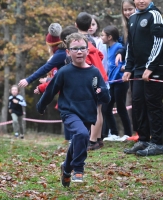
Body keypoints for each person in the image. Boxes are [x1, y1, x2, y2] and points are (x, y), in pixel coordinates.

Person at [37, 33, 110, 186]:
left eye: (82, 48)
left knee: (79, 139)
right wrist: (41, 104)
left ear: (87, 50)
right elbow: (51, 90)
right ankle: (78, 168)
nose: (79, 51)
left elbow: (103, 93)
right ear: (68, 52)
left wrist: (101, 92)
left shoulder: (94, 73)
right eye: (75, 48)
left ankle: (66, 169)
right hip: (69, 111)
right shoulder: (65, 72)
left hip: (87, 113)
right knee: (82, 134)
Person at [122, 0, 163, 156]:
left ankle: (157, 143)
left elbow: (159, 42)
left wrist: (150, 67)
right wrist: (128, 68)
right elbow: (130, 45)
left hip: (155, 68)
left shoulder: (154, 15)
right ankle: (143, 139)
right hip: (138, 69)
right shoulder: (133, 17)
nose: (141, 1)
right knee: (138, 103)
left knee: (153, 104)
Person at [75, 12, 108, 151]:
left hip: (91, 80)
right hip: (101, 77)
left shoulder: (78, 41)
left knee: (93, 110)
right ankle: (98, 138)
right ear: (90, 26)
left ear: (75, 25)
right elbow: (100, 56)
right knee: (98, 110)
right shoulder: (93, 41)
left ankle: (92, 140)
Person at [101, 25, 132, 141]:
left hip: (120, 81)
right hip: (112, 82)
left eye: (102, 35)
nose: (101, 37)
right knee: (106, 107)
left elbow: (126, 59)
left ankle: (128, 134)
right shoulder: (109, 48)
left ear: (109, 37)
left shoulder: (119, 47)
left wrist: (124, 68)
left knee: (120, 107)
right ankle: (113, 133)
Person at [18, 23, 64, 87]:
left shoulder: (60, 54)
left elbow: (45, 68)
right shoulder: (61, 52)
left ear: (51, 45)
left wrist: (28, 80)